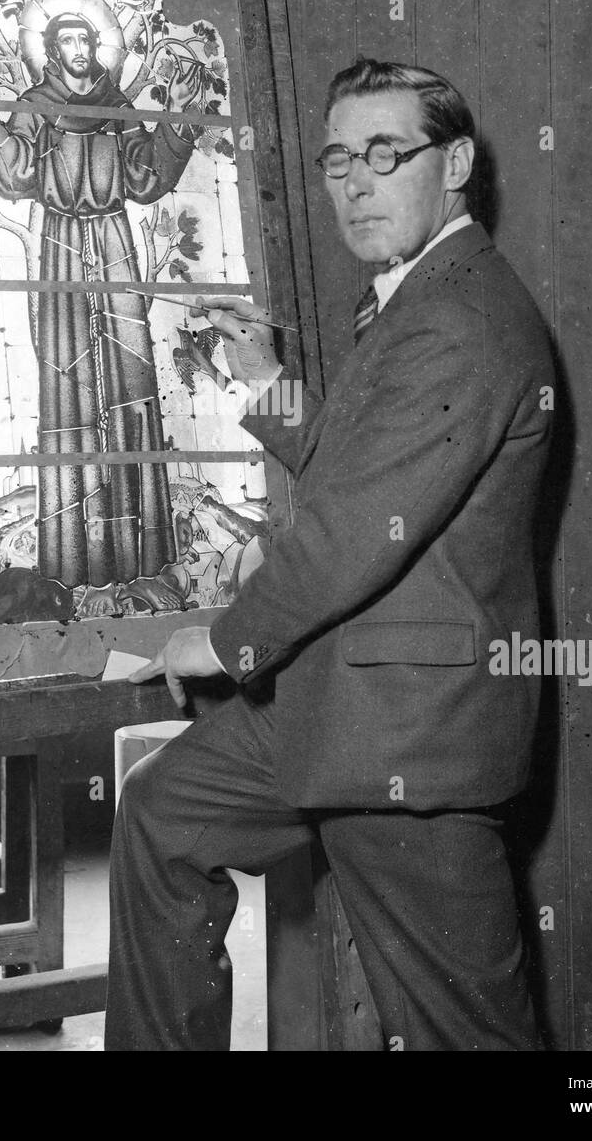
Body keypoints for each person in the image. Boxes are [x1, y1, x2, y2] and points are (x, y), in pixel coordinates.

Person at [106, 58, 555, 1051]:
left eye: (386, 153)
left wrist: (220, 644)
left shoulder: (463, 319)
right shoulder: (413, 295)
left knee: (464, 1033)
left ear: (459, 164)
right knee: (161, 818)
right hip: (344, 696)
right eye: (338, 159)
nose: (355, 181)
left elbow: (353, 532)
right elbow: (368, 468)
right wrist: (265, 386)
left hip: (409, 732)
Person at [0, 11, 199, 608]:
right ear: (52, 51)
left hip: (114, 248)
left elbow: (144, 177)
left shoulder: (118, 105)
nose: (80, 48)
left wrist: (180, 119)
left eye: (86, 37)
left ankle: (145, 557)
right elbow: (12, 170)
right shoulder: (36, 105)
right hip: (60, 247)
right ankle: (73, 562)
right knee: (71, 391)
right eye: (67, 41)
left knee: (131, 382)